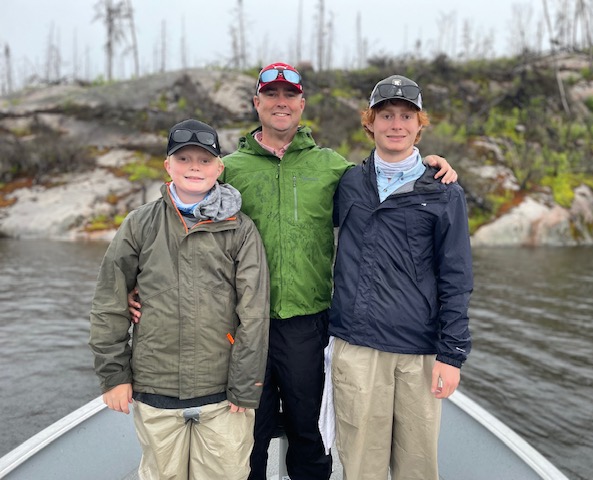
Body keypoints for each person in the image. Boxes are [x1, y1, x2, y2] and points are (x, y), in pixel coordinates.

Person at [129, 64, 457, 480]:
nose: (280, 102)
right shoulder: (227, 169)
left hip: (309, 325)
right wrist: (138, 285)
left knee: (310, 434)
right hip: (242, 327)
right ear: (257, 103)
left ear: (302, 104)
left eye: (290, 95)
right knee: (250, 435)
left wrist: (428, 164)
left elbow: (386, 181)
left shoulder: (333, 168)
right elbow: (180, 221)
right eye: (271, 94)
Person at [89, 118, 270, 480]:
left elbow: (254, 312)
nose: (194, 168)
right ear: (168, 165)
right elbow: (109, 302)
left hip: (222, 395)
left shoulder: (241, 229)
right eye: (183, 159)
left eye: (204, 160)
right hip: (155, 389)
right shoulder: (139, 224)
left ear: (220, 167)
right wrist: (114, 375)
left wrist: (244, 386)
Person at [328, 75, 474, 480]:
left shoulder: (444, 190)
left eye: (406, 115)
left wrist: (452, 355)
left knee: (417, 468)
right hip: (357, 348)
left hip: (420, 353)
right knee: (360, 467)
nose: (396, 124)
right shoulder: (348, 182)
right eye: (386, 115)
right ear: (369, 122)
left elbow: (457, 276)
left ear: (419, 124)